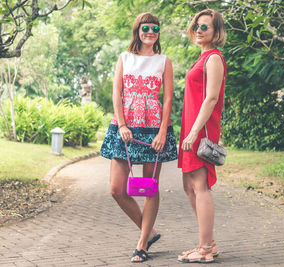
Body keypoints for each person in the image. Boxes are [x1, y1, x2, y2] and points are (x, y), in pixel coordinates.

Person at [100, 13, 178, 263]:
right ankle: (150, 231)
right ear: (138, 30)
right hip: (124, 127)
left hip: (153, 127)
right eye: (146, 27)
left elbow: (167, 99)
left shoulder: (163, 61)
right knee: (116, 189)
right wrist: (121, 124)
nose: (151, 31)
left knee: (149, 188)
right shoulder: (124, 57)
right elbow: (117, 92)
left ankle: (142, 244)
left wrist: (163, 131)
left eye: (156, 28)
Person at [177, 9, 227, 264]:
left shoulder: (214, 59)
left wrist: (195, 131)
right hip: (190, 128)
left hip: (201, 130)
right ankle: (206, 243)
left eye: (205, 27)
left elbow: (212, 98)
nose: (198, 30)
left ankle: (207, 247)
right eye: (197, 25)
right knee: (189, 187)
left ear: (216, 32)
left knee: (200, 186)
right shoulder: (202, 57)